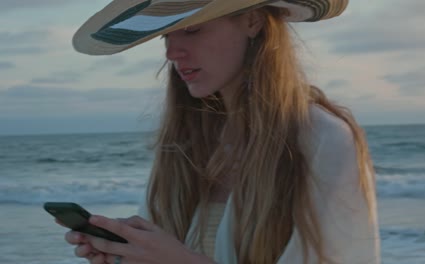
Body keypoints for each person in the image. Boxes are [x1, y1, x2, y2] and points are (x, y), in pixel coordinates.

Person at [63, 0, 381, 263]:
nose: (172, 53)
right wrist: (127, 252)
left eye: (191, 29)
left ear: (253, 21)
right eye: (166, 36)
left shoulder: (323, 140)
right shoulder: (185, 142)